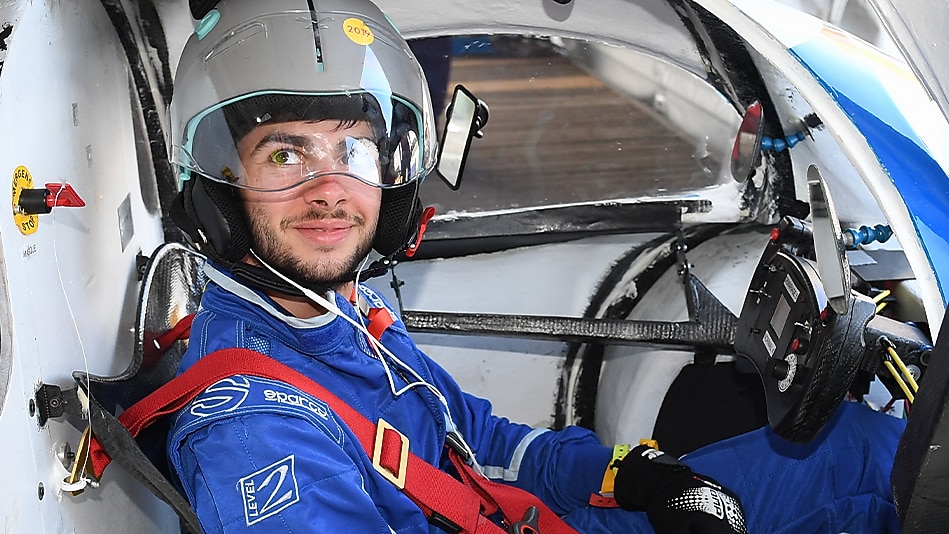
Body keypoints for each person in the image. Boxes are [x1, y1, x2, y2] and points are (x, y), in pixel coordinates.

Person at [164, 0, 905, 532]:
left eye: (352, 150)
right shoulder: (255, 432)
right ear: (218, 186)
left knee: (858, 450)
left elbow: (482, 444)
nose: (327, 189)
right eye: (285, 154)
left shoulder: (340, 319)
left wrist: (634, 475)